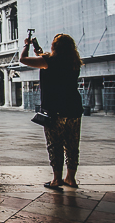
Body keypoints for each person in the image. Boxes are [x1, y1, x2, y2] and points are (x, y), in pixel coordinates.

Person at [20, 33, 84, 190]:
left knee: (55, 145)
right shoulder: (74, 62)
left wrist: (26, 45)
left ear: (54, 46)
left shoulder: (49, 61)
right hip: (74, 108)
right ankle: (71, 178)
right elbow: (46, 59)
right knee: (72, 145)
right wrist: (39, 51)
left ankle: (56, 179)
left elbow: (23, 60)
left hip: (55, 110)